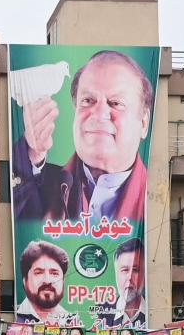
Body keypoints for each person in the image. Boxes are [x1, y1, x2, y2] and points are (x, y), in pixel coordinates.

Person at [13, 50, 152, 224]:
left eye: (116, 103)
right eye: (88, 100)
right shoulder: (42, 188)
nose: (99, 114)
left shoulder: (155, 199)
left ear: (144, 123)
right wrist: (33, 152)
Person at [16, 240, 77, 325]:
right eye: (39, 273)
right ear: (25, 280)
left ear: (63, 280)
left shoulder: (74, 323)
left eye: (54, 273)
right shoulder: (13, 316)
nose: (48, 281)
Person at [102, 237, 147, 328]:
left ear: (145, 276)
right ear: (116, 274)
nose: (129, 277)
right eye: (125, 270)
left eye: (135, 270)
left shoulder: (154, 311)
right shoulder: (100, 314)